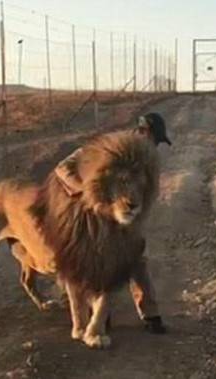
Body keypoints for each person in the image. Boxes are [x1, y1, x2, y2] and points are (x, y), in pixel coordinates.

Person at [54, 112, 172, 334]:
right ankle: (97, 315)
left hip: (129, 222)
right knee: (98, 264)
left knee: (137, 259)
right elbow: (62, 167)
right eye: (154, 140)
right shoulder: (107, 149)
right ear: (143, 132)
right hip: (99, 221)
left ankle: (150, 313)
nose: (154, 147)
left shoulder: (148, 159)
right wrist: (85, 190)